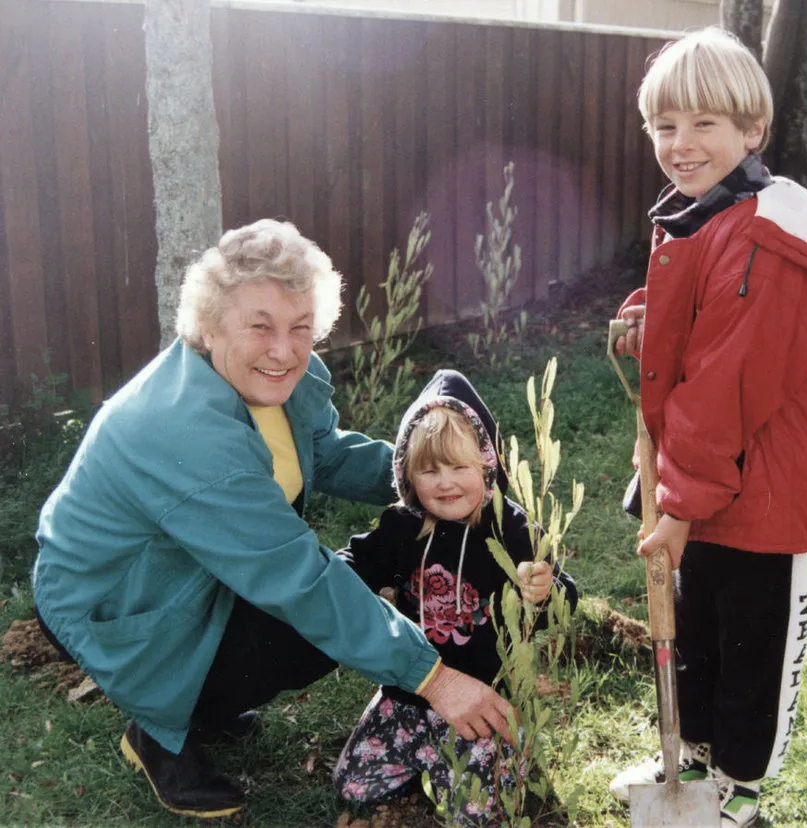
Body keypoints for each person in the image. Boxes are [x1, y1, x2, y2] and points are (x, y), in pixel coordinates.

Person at [32, 219, 513, 819]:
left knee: (329, 611)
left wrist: (436, 468)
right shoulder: (186, 433)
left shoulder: (282, 379)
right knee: (309, 624)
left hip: (195, 571)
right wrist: (436, 679)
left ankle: (203, 699)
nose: (284, 350)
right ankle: (160, 732)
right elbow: (298, 578)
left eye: (300, 327)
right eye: (259, 326)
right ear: (208, 326)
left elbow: (326, 453)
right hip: (116, 597)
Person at [607, 28, 807, 827]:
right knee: (700, 627)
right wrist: (650, 320)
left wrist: (674, 510)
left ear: (752, 132)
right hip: (713, 481)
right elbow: (703, 320)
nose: (681, 143)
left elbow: (726, 387)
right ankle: (692, 760)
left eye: (705, 123)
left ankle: (740, 785)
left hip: (769, 486)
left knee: (754, 647)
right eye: (665, 125)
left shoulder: (764, 237)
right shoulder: (711, 214)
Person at [332, 369, 578, 826]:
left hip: (482, 701)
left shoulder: (511, 529)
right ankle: (427, 761)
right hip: (409, 693)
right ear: (408, 474)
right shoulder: (405, 525)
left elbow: (566, 596)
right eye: (429, 470)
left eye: (459, 468)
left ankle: (502, 760)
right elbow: (354, 561)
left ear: (486, 465)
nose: (445, 483)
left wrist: (543, 589)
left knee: (478, 814)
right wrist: (332, 572)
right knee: (352, 784)